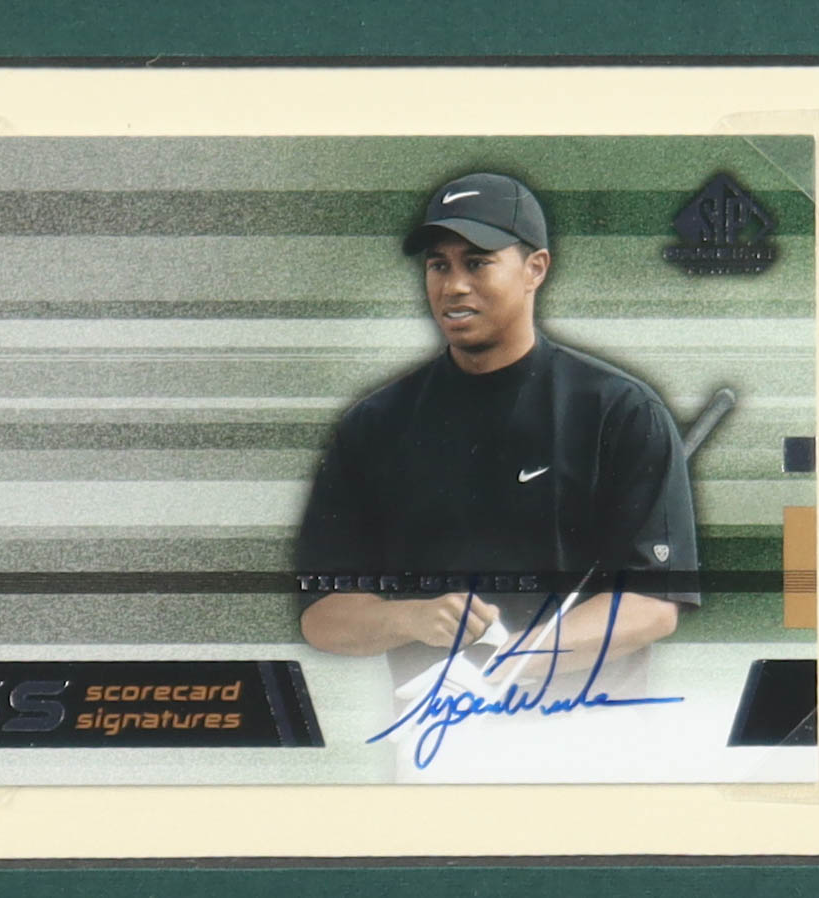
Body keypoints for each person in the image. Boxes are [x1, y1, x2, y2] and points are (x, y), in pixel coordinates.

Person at [294, 172, 699, 694]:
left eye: (477, 262)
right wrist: (410, 618)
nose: (453, 285)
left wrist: (516, 660)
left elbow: (653, 603)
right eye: (439, 265)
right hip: (432, 731)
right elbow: (321, 615)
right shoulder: (374, 425)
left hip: (591, 731)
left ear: (536, 269)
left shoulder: (621, 412)